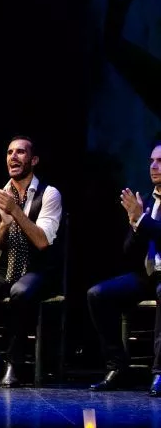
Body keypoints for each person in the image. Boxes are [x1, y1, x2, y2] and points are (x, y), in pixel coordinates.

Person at [0, 135, 63, 387]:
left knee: (20, 291)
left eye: (20, 152)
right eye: (9, 152)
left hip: (37, 270)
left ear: (34, 160)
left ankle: (15, 363)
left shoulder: (49, 194)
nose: (13, 157)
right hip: (4, 269)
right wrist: (4, 225)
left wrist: (16, 211)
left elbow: (42, 242)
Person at [87, 139, 161, 396]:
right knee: (98, 294)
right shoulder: (147, 199)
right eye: (152, 161)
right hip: (148, 274)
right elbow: (128, 251)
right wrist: (134, 224)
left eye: (160, 161)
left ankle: (159, 372)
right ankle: (118, 367)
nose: (154, 166)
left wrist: (141, 219)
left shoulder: (145, 209)